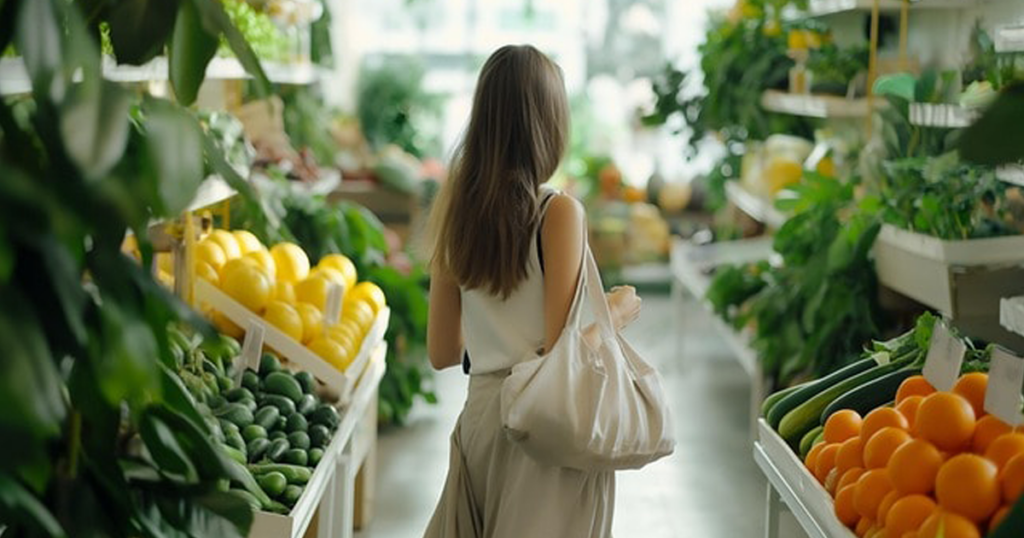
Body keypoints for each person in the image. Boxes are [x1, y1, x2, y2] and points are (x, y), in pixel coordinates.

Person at [424, 44, 643, 538]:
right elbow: (562, 354)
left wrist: (492, 335)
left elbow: (441, 352)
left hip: (479, 419)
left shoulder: (454, 209)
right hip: (539, 429)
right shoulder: (558, 213)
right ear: (549, 123)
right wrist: (616, 310)